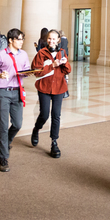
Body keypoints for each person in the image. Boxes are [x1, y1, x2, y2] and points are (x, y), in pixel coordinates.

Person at [0, 28, 31, 172]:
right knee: (3, 125)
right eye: (19, 39)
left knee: (18, 124)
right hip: (3, 93)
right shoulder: (1, 55)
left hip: (18, 92)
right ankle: (3, 158)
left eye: (22, 39)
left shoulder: (24, 54)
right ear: (11, 40)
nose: (21, 42)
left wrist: (29, 73)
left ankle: (7, 142)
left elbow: (26, 69)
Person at [31, 29, 71, 158]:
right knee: (44, 114)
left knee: (56, 115)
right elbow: (36, 71)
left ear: (58, 40)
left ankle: (54, 142)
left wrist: (65, 64)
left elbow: (67, 70)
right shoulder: (41, 53)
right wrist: (52, 65)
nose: (51, 41)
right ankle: (36, 129)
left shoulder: (62, 52)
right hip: (44, 87)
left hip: (59, 87)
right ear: (46, 39)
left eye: (54, 39)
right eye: (49, 38)